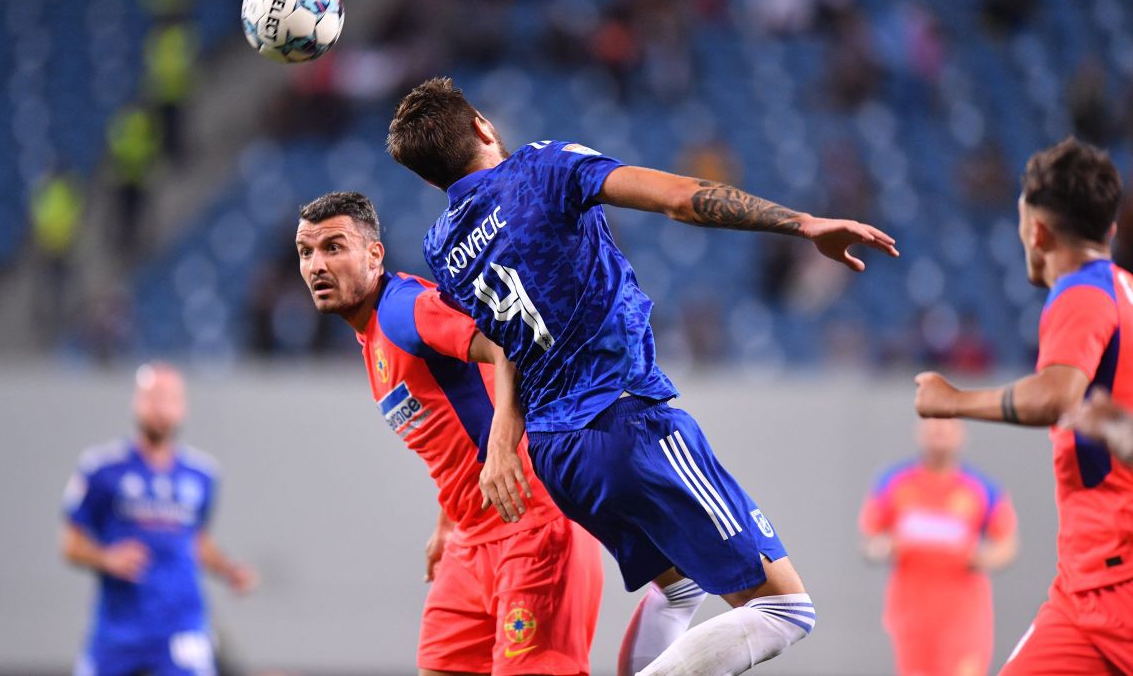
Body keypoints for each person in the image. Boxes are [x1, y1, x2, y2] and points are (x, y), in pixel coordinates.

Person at [386, 77, 899, 676]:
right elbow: (679, 198)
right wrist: (803, 223)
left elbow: (504, 344)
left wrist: (506, 430)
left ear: (429, 181)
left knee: (678, 586)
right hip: (625, 421)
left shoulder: (443, 246)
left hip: (557, 458)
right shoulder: (541, 169)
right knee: (784, 609)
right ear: (483, 126)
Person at [294, 190, 604, 676]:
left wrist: (504, 442)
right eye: (306, 252)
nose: (316, 265)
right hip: (470, 539)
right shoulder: (373, 333)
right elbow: (460, 423)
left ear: (375, 255)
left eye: (334, 247)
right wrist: (447, 520)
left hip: (531, 527)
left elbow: (511, 341)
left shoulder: (407, 309)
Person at [914, 137, 1133, 674]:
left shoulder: (1081, 292)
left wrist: (952, 400)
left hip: (1116, 581)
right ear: (1108, 229)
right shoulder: (1125, 290)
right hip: (1085, 585)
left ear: (1035, 230)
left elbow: (1057, 394)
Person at [61, 363, 256, 676]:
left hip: (181, 624)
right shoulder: (102, 470)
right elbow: (70, 544)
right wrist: (105, 558)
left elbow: (195, 539)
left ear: (183, 408)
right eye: (153, 398)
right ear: (136, 403)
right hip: (119, 628)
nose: (161, 409)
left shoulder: (201, 475)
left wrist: (227, 569)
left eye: (169, 399)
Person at [860, 418, 1019, 676]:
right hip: (911, 615)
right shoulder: (893, 482)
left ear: (961, 433)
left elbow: (1006, 545)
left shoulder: (982, 488)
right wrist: (883, 548)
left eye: (947, 424)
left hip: (964, 617)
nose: (939, 431)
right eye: (932, 424)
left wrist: (979, 557)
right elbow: (869, 539)